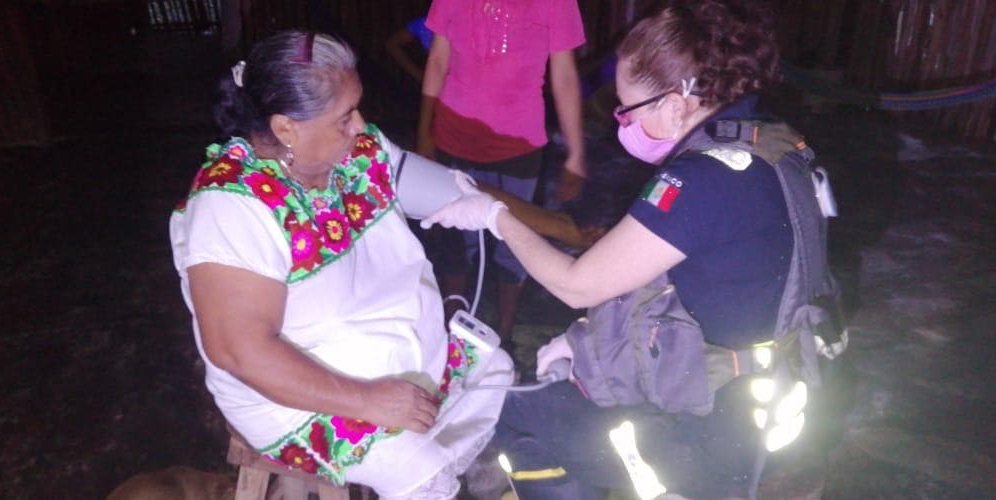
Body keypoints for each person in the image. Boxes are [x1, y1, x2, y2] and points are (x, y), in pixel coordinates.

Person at [421, 1, 830, 497]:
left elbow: (576, 285)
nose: (620, 123)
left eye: (627, 110)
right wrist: (583, 345)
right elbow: (680, 280)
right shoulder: (770, 143)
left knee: (504, 416)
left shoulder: (704, 179)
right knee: (555, 395)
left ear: (677, 103)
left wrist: (494, 216)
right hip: (771, 393)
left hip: (711, 435)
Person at [169, 30, 513, 500]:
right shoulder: (232, 205)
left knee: (493, 372)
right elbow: (240, 351)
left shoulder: (354, 154)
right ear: (287, 128)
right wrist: (369, 400)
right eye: (345, 116)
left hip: (389, 350)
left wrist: (506, 219)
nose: (360, 125)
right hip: (295, 396)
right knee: (421, 474)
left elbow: (444, 192)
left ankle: (446, 465)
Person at [416, 0, 588, 352]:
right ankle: (452, 336)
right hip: (454, 138)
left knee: (516, 243)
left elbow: (566, 77)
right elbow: (437, 61)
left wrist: (577, 153)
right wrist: (423, 133)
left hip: (519, 144)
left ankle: (505, 337)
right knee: (454, 242)